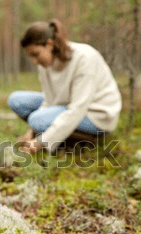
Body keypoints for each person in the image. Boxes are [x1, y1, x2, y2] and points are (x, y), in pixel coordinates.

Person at [8, 19, 122, 153]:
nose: (34, 61)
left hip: (96, 115)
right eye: (30, 56)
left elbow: (78, 108)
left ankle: (75, 140)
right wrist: (32, 131)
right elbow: (48, 101)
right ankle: (58, 135)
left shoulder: (84, 58)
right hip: (65, 107)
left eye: (36, 54)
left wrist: (42, 142)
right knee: (17, 100)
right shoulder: (45, 63)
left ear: (49, 44)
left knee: (36, 119)